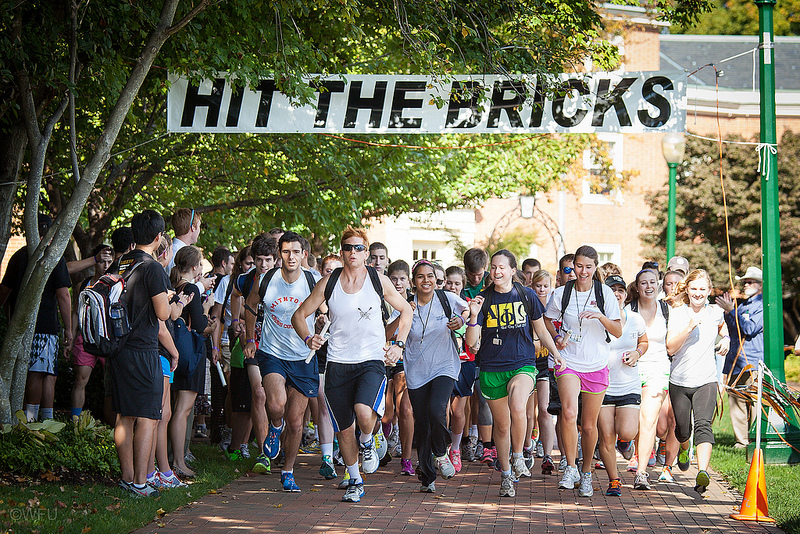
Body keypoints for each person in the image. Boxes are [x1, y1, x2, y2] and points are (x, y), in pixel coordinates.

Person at [293, 226, 412, 504]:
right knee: (344, 429)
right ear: (342, 251)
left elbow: (406, 309)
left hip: (371, 359)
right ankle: (355, 480)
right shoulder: (329, 283)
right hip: (337, 363)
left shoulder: (377, 280)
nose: (353, 253)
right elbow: (300, 315)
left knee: (363, 410)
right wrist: (308, 337)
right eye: (348, 247)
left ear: (366, 253)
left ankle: (369, 440)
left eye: (359, 248)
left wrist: (399, 344)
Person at [465, 249, 562, 497]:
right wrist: (474, 317)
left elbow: (540, 330)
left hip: (522, 363)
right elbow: (471, 342)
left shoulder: (526, 295)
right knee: (501, 425)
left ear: (511, 270)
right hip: (492, 367)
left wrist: (556, 354)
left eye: (502, 267)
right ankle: (507, 474)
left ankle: (518, 454)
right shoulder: (483, 299)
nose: (497, 271)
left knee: (519, 406)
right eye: (494, 267)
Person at [243, 232, 320, 492]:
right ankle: (275, 427)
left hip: (303, 356)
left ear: (303, 255)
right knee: (276, 404)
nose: (291, 257)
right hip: (273, 352)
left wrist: (321, 323)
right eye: (286, 252)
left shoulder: (313, 280)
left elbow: (328, 309)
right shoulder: (266, 280)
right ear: (280, 254)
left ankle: (288, 470)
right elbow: (251, 305)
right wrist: (250, 338)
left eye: (295, 252)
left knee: (297, 422)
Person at [545, 245, 622, 498]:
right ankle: (570, 466)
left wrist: (600, 316)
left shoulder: (605, 294)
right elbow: (547, 319)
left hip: (596, 364)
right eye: (578, 266)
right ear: (571, 267)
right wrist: (556, 337)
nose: (583, 271)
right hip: (568, 361)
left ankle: (586, 472)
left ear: (595, 267)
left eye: (588, 267)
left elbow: (618, 330)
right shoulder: (560, 293)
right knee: (568, 413)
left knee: (589, 426)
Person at [109, 209, 171, 497]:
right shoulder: (153, 268)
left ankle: (126, 478)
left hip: (118, 347)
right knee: (148, 415)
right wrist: (172, 302)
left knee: (124, 415)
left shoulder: (121, 263)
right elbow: (161, 313)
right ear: (159, 238)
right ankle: (140, 483)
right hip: (144, 349)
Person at [392, 259, 469, 492]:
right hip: (416, 370)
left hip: (445, 366)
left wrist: (461, 320)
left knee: (437, 409)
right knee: (423, 422)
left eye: (430, 276)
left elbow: (466, 309)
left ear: (436, 279)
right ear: (413, 282)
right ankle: (428, 477)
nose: (426, 280)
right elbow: (388, 332)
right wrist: (404, 315)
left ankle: (441, 452)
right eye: (420, 277)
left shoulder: (446, 298)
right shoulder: (406, 305)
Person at [0, 214, 72, 423]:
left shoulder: (20, 255)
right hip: (46, 327)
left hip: (19, 327)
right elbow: (64, 296)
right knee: (41, 375)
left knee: (32, 373)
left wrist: (9, 318)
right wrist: (68, 329)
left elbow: (4, 291)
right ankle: (34, 424)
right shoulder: (53, 257)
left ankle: (29, 421)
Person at [666, 269, 729, 494]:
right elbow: (670, 347)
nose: (698, 293)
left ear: (710, 291)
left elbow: (723, 326)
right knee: (683, 430)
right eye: (694, 289)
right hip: (680, 381)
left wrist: (728, 339)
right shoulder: (678, 312)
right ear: (688, 290)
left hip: (706, 380)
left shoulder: (715, 312)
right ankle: (684, 448)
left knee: (704, 425)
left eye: (703, 289)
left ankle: (702, 472)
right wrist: (689, 328)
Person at [626, 268, 679, 487]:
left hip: (658, 368)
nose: (649, 287)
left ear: (658, 285)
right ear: (637, 288)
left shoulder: (668, 310)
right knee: (630, 424)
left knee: (649, 420)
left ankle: (641, 472)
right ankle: (627, 445)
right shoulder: (627, 310)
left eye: (652, 282)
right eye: (644, 283)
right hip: (630, 369)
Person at [597, 275, 647, 497]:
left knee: (627, 431)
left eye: (620, 290)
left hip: (628, 385)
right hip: (602, 385)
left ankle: (626, 443)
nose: (616, 293)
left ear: (626, 295)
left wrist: (637, 352)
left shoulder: (635, 319)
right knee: (606, 436)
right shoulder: (597, 318)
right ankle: (614, 480)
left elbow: (643, 341)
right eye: (612, 290)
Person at [169, 245, 216, 478]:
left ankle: (174, 458)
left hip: (174, 351)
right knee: (183, 409)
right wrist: (208, 312)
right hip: (190, 354)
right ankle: (178, 460)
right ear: (195, 267)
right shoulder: (192, 290)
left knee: (176, 407)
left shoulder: (174, 285)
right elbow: (200, 326)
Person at [718, 266, 764, 449]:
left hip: (752, 361)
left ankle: (755, 439)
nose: (746, 285)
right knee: (736, 401)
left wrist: (732, 310)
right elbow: (732, 330)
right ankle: (741, 441)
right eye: (744, 282)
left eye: (750, 282)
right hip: (736, 362)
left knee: (753, 401)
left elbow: (750, 329)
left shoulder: (762, 305)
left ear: (760, 285)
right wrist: (728, 312)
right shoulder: (743, 305)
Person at [70, 244, 115, 419]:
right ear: (94, 262)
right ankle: (75, 421)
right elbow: (75, 312)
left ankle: (112, 426)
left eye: (109, 262)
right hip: (86, 337)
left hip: (108, 337)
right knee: (80, 380)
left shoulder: (115, 285)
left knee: (111, 384)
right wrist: (71, 337)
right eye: (102, 262)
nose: (105, 266)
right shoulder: (84, 284)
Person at [385, 259, 415, 472]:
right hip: (384, 358)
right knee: (387, 413)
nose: (398, 283)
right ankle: (383, 443)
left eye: (402, 279)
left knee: (405, 408)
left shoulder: (416, 301)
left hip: (407, 360)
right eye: (393, 279)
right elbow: (387, 334)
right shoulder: (382, 301)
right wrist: (403, 314)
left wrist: (411, 310)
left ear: (408, 281)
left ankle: (406, 458)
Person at [444, 265, 474, 470]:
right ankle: (441, 448)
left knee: (458, 410)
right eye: (449, 282)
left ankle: (455, 448)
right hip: (442, 364)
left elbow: (475, 335)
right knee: (441, 409)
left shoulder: (469, 308)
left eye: (457, 283)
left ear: (463, 286)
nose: (453, 287)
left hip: (465, 362)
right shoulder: (437, 303)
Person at [316, 254, 342, 479]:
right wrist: (316, 325)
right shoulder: (315, 296)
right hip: (323, 357)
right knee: (323, 403)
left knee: (347, 408)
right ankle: (327, 458)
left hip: (347, 357)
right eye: (327, 270)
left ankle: (348, 448)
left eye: (337, 270)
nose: (332, 274)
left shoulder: (351, 294)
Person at [530, 269, 556, 474]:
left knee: (545, 410)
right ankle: (527, 448)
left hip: (546, 363)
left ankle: (547, 455)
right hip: (528, 361)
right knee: (529, 413)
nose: (541, 289)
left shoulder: (554, 304)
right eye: (538, 285)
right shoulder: (528, 302)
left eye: (545, 286)